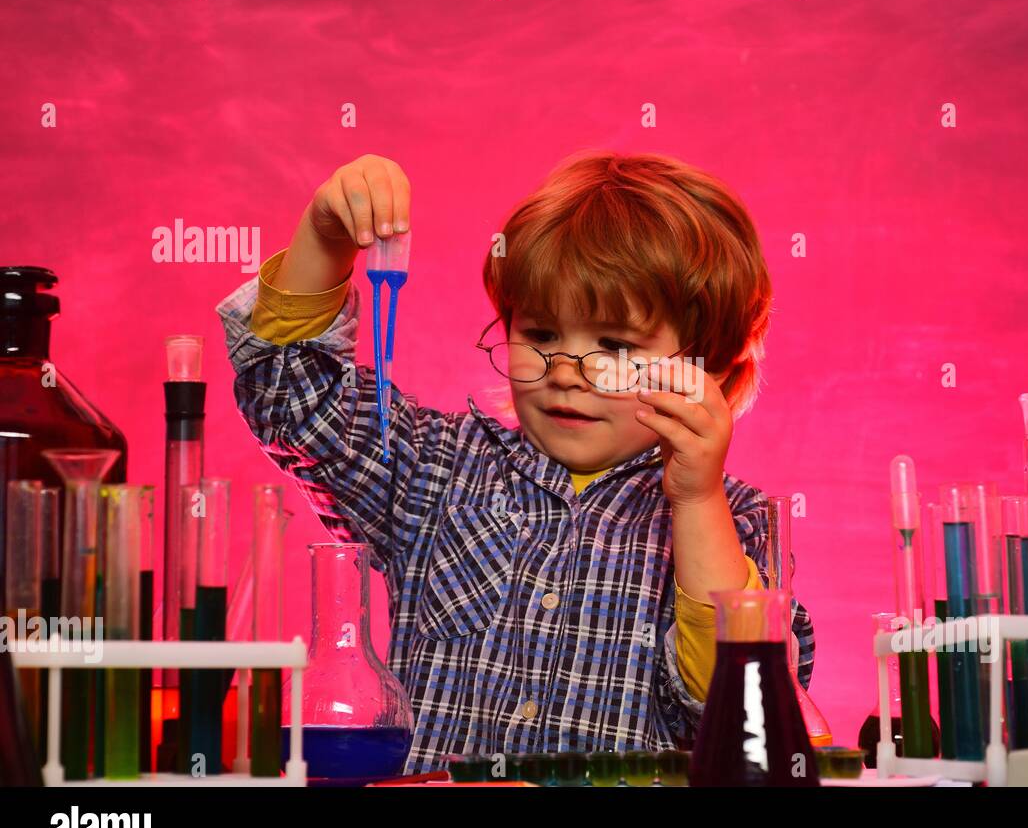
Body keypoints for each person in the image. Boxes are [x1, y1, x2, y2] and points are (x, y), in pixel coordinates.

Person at [216, 151, 814, 770]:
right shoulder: (433, 468)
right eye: (542, 334)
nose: (564, 373)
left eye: (614, 344)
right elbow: (292, 396)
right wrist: (327, 236)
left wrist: (695, 500)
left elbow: (742, 711)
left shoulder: (738, 521)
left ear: (705, 366)